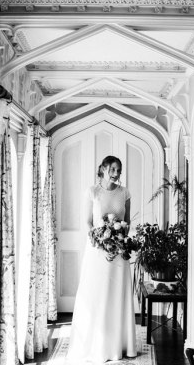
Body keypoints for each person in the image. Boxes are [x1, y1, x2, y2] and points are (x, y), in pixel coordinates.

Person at [67, 155, 137, 363]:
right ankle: (96, 343)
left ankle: (118, 344)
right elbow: (88, 223)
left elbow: (127, 222)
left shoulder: (125, 193)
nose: (116, 174)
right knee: (95, 295)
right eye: (113, 169)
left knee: (116, 295)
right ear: (104, 169)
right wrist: (102, 243)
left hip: (119, 253)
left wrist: (118, 241)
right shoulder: (92, 192)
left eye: (119, 170)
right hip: (97, 251)